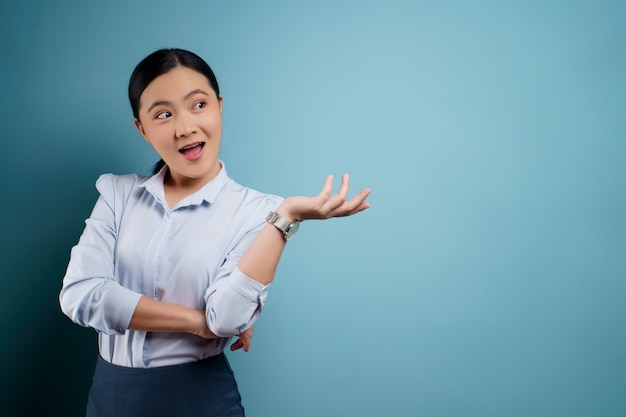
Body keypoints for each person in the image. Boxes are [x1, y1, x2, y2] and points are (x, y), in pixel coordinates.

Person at [59, 48, 371, 417]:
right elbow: (81, 295)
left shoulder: (259, 212)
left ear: (219, 106)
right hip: (110, 397)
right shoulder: (118, 194)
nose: (186, 126)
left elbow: (226, 319)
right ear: (141, 129)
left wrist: (285, 217)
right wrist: (197, 322)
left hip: (200, 399)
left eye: (198, 105)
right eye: (163, 114)